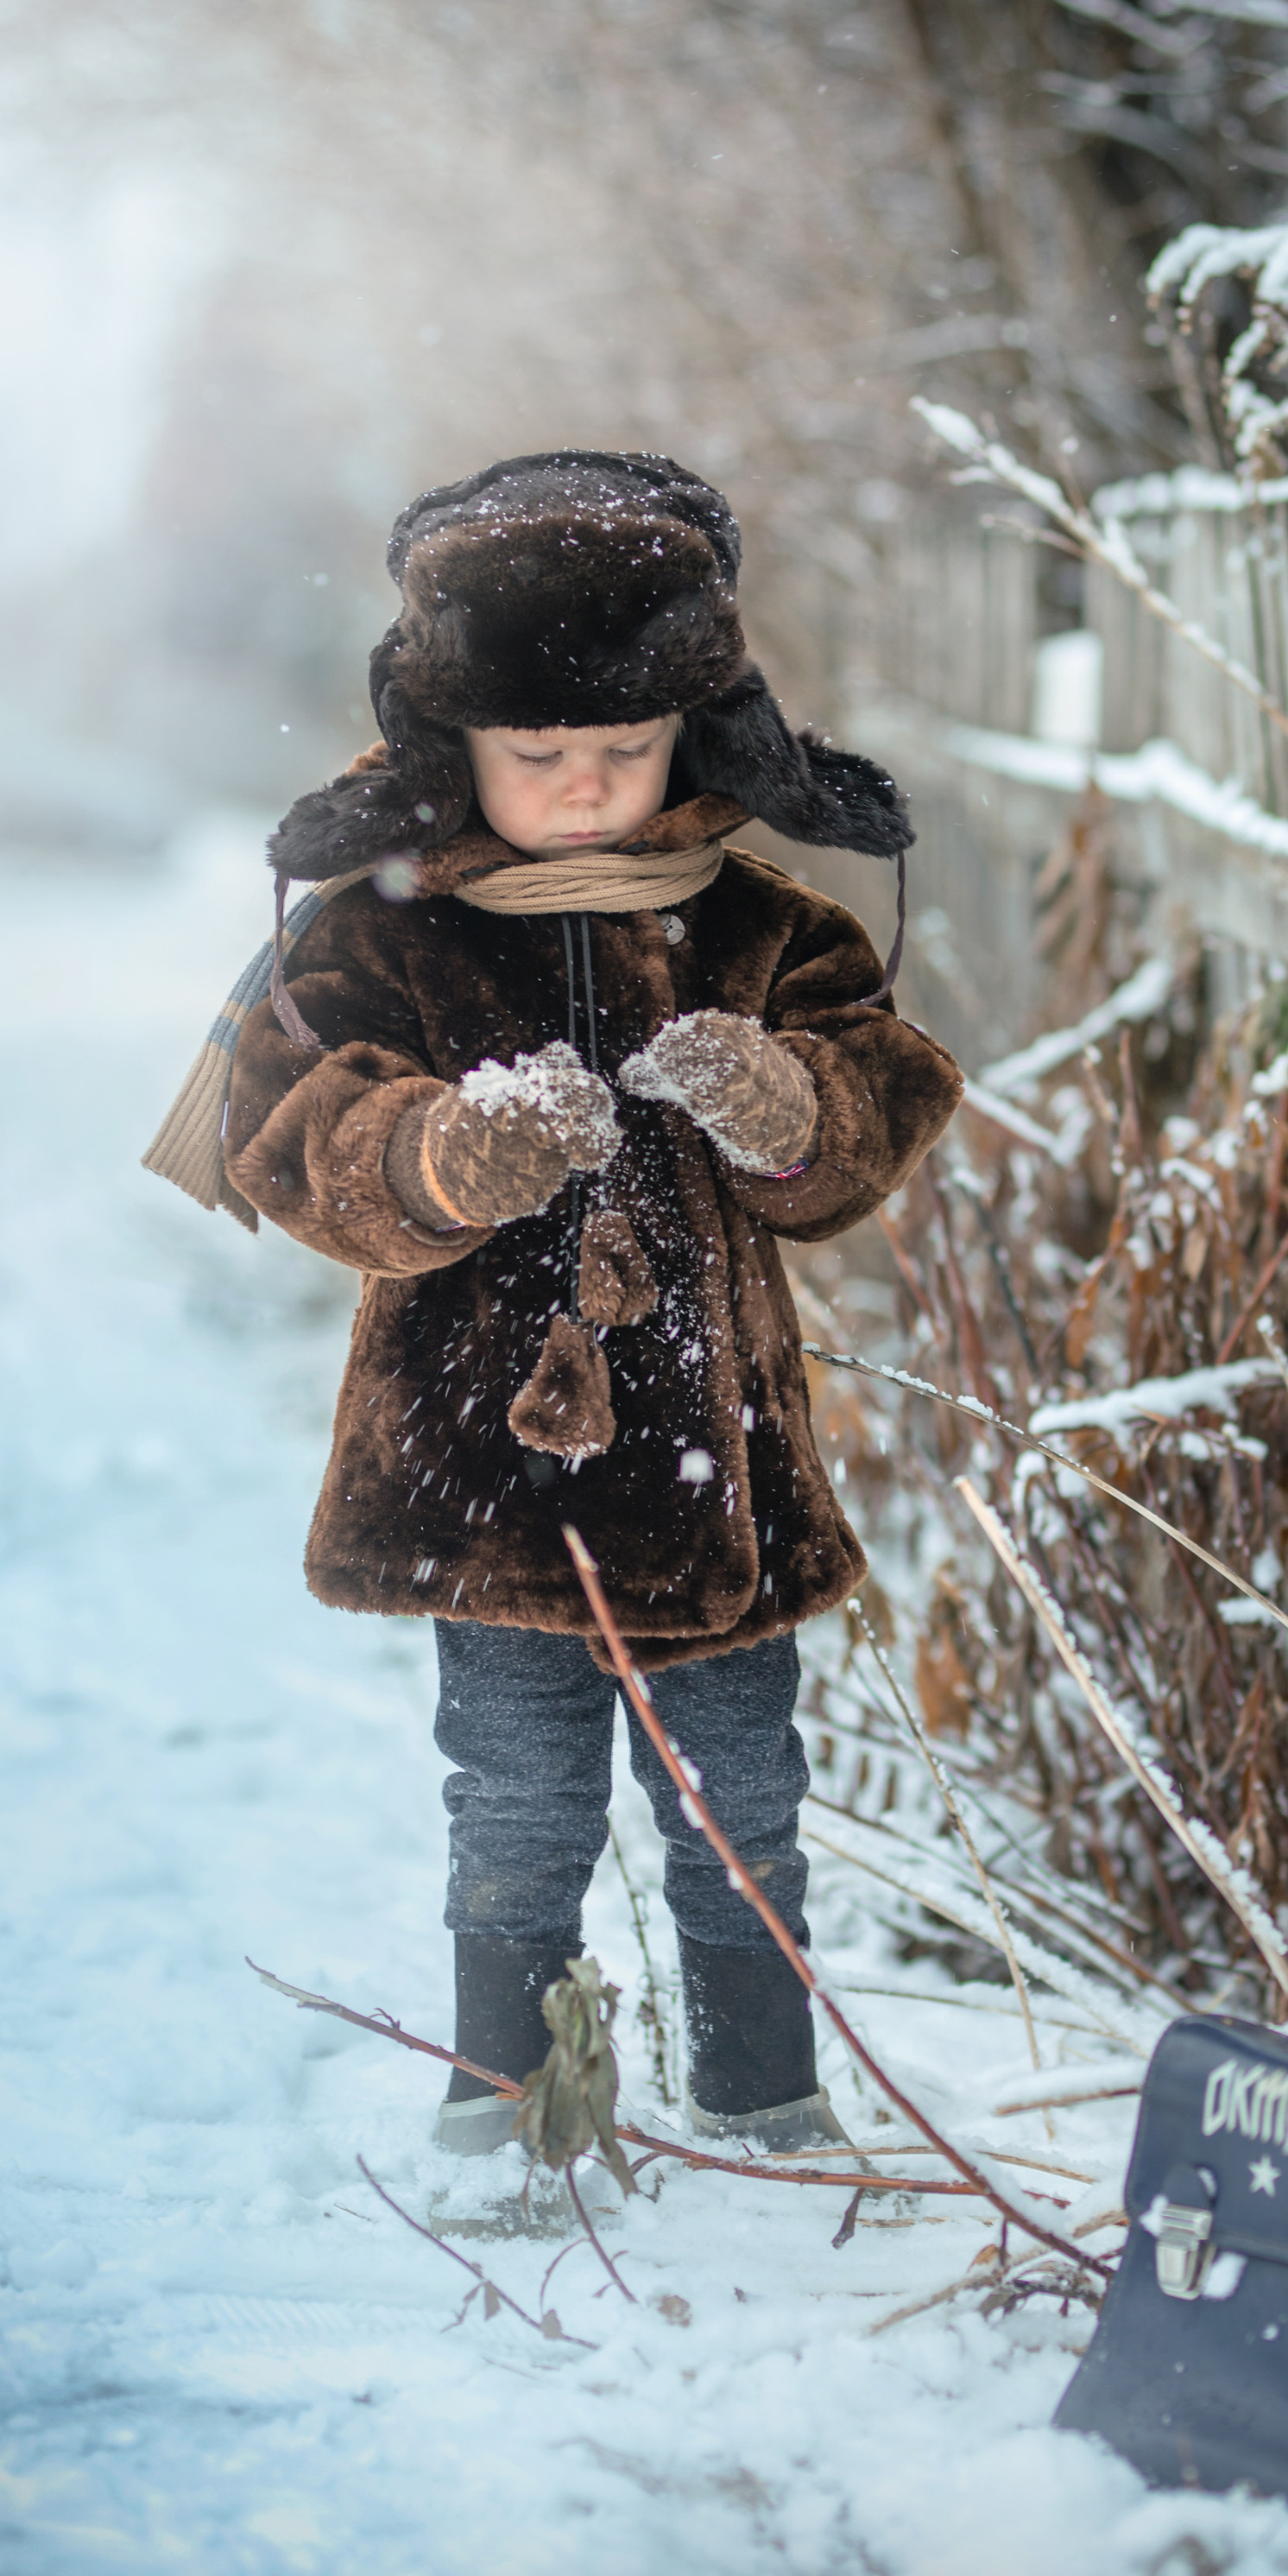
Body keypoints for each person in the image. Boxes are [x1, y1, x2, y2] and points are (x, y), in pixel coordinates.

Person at [222, 451, 963, 2157]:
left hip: (720, 1467)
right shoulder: (381, 940)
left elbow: (878, 1098)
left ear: (691, 735)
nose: (580, 789)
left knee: (741, 1805)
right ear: (450, 748)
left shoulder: (760, 927)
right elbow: (290, 1129)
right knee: (516, 1801)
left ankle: (767, 2095)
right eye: (537, 755)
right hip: (479, 1474)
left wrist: (788, 1114)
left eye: (620, 752)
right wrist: (438, 1153)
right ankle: (509, 2098)